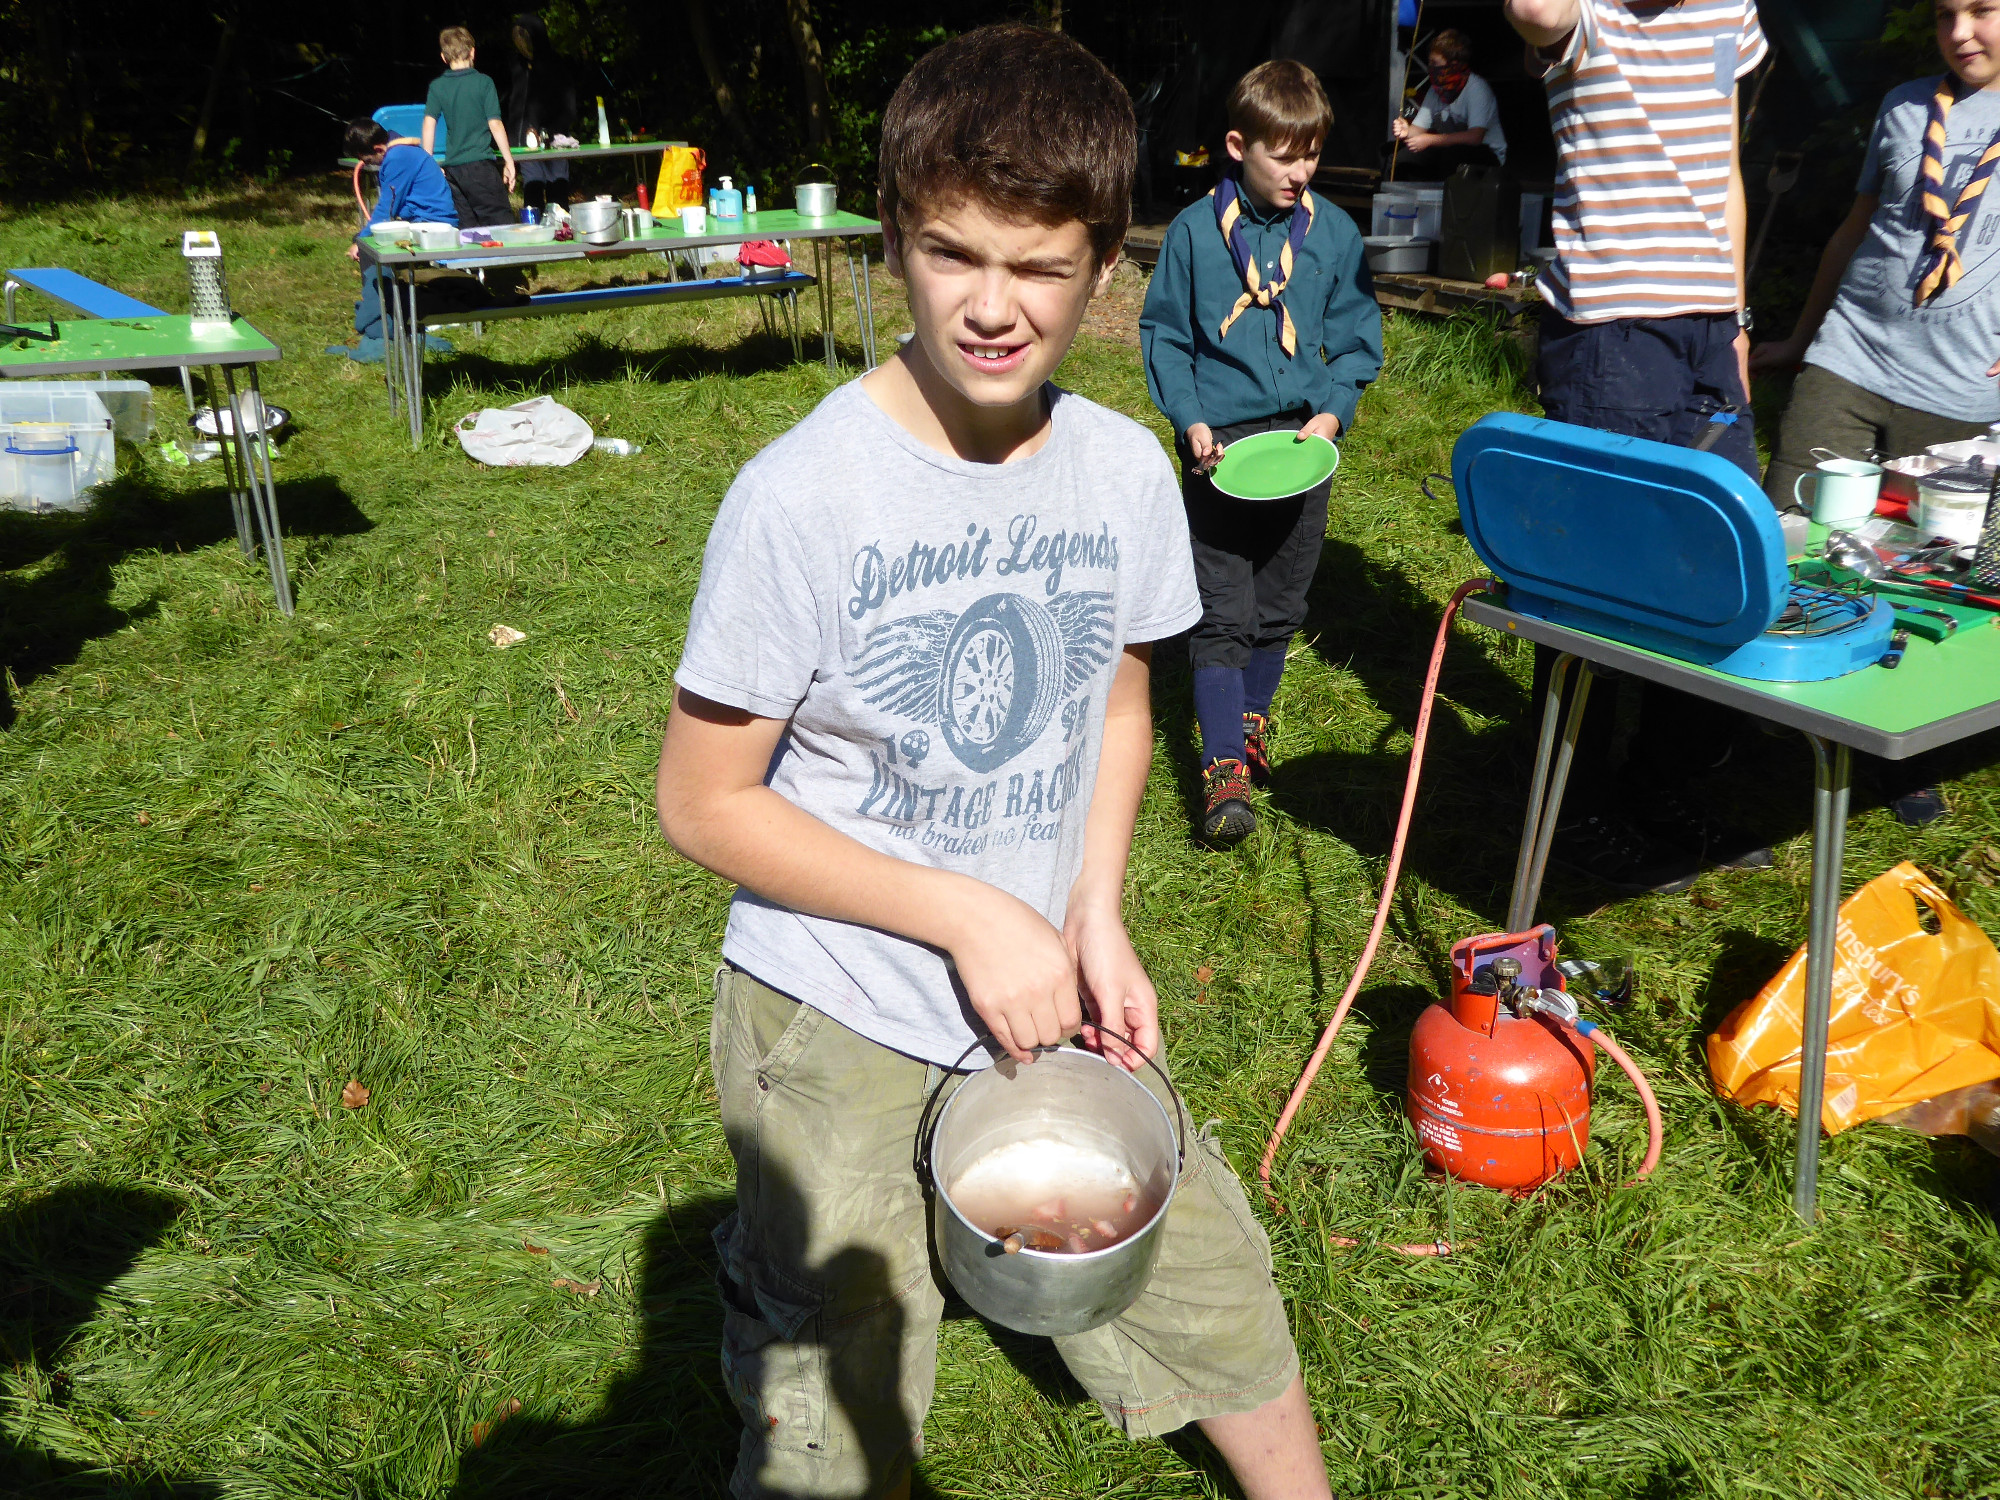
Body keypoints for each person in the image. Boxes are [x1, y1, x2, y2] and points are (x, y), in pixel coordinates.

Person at [654, 24, 1335, 1500]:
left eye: (1039, 269)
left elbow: (1118, 704)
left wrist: (1092, 909)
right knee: (839, 1372)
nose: (990, 307)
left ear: (1105, 268)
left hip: (1046, 977)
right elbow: (700, 803)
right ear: (892, 235)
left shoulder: (1123, 473)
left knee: (1205, 1275)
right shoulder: (800, 499)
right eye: (953, 254)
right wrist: (968, 914)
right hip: (834, 1007)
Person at [1504, 0, 1773, 895]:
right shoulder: (1584, 17)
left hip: (1708, 332)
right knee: (1595, 577)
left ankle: (1661, 782)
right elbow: (1532, 11)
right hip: (1609, 339)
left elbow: (1724, 166)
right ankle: (1570, 809)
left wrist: (1736, 316)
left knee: (1719, 568)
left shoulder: (1729, 12)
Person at [1753, 0, 2000, 827]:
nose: (1960, 33)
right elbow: (1857, 229)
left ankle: (1904, 748)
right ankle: (1779, 718)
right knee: (1797, 536)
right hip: (1851, 356)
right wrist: (1802, 338)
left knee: (1940, 573)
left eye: (1983, 11)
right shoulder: (1904, 106)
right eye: (1946, 15)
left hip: (1962, 390)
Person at [1139, 60, 1382, 845]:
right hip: (1220, 451)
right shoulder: (1192, 234)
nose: (1300, 171)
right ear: (1238, 147)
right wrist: (1189, 420)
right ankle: (1221, 770)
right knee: (1221, 608)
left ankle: (1249, 724)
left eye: (1312, 155)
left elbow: (1356, 341)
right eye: (1284, 156)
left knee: (1279, 605)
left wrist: (1335, 414)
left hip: (1302, 449)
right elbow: (1167, 338)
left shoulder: (1333, 234)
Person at [336, 118, 455, 361]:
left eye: (367, 159)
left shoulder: (398, 157)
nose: (366, 164)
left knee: (370, 249)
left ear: (378, 149)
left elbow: (387, 207)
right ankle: (387, 312)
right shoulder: (400, 150)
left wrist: (361, 240)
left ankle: (382, 323)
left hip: (432, 225)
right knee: (370, 243)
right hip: (418, 220)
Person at [424, 26, 517, 230]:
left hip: (453, 170)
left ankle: (472, 252)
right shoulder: (484, 82)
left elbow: (429, 123)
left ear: (443, 57)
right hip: (480, 165)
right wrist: (509, 161)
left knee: (468, 229)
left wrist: (428, 162)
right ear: (473, 52)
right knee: (501, 225)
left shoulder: (437, 86)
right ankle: (507, 252)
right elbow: (495, 124)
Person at [1391, 29, 1509, 180]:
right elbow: (1419, 129)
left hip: (1487, 153)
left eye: (1434, 63)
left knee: (1452, 156)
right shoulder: (1435, 90)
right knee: (1403, 157)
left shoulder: (1476, 89)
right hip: (1449, 149)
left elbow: (1475, 137)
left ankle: (1449, 194)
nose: (1430, 67)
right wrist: (1406, 130)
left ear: (1453, 65)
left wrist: (1429, 140)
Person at [505, 13, 577, 213]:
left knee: (558, 187)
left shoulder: (555, 64)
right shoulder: (517, 64)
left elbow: (568, 104)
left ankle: (561, 228)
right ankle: (535, 228)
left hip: (555, 137)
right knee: (533, 187)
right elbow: (514, 102)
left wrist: (553, 130)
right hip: (526, 141)